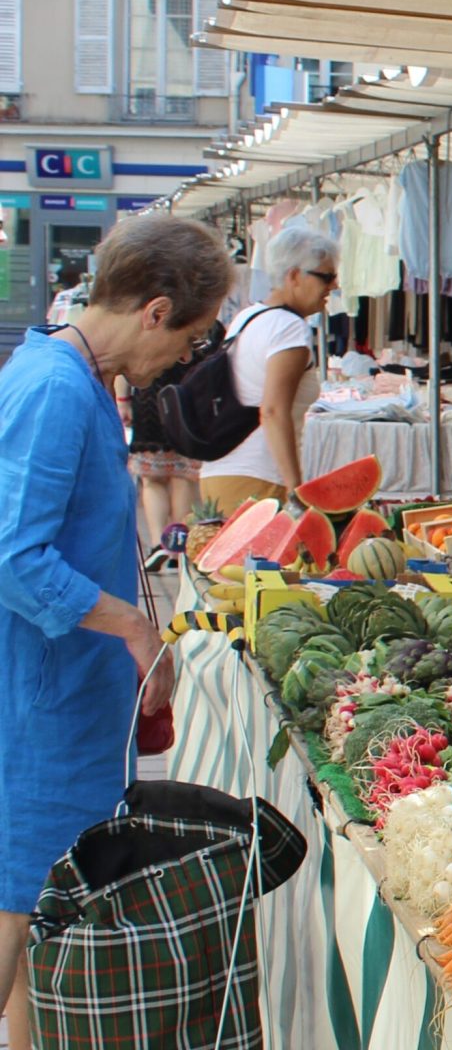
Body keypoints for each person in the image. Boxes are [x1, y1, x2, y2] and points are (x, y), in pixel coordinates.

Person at [0, 214, 234, 1045]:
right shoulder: (58, 387)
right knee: (20, 911)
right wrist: (134, 626)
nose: (185, 359)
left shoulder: (74, 376)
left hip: (64, 700)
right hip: (40, 709)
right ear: (157, 311)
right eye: (192, 338)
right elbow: (12, 557)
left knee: (39, 930)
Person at [199, 226, 337, 513]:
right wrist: (296, 489)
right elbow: (273, 411)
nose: (334, 286)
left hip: (219, 471)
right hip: (259, 478)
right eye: (326, 276)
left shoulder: (247, 317)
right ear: (295, 276)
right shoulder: (289, 329)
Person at [125, 344, 206, 572]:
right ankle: (177, 548)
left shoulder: (145, 323)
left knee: (152, 480)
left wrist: (122, 401)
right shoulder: (201, 324)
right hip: (188, 401)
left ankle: (158, 543)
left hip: (150, 399)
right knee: (182, 477)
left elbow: (125, 367)